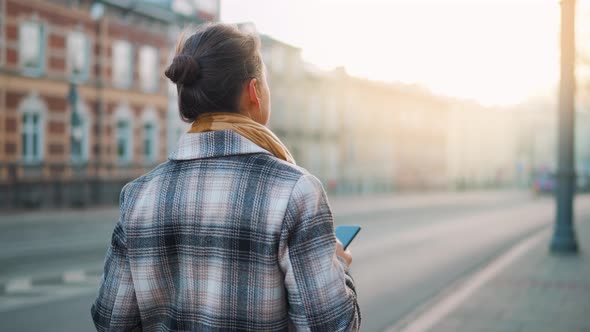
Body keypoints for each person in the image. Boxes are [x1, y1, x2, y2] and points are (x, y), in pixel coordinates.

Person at [91, 23, 360, 331]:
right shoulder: (295, 192)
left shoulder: (138, 196)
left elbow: (111, 321)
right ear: (253, 92)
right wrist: (336, 264)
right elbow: (332, 326)